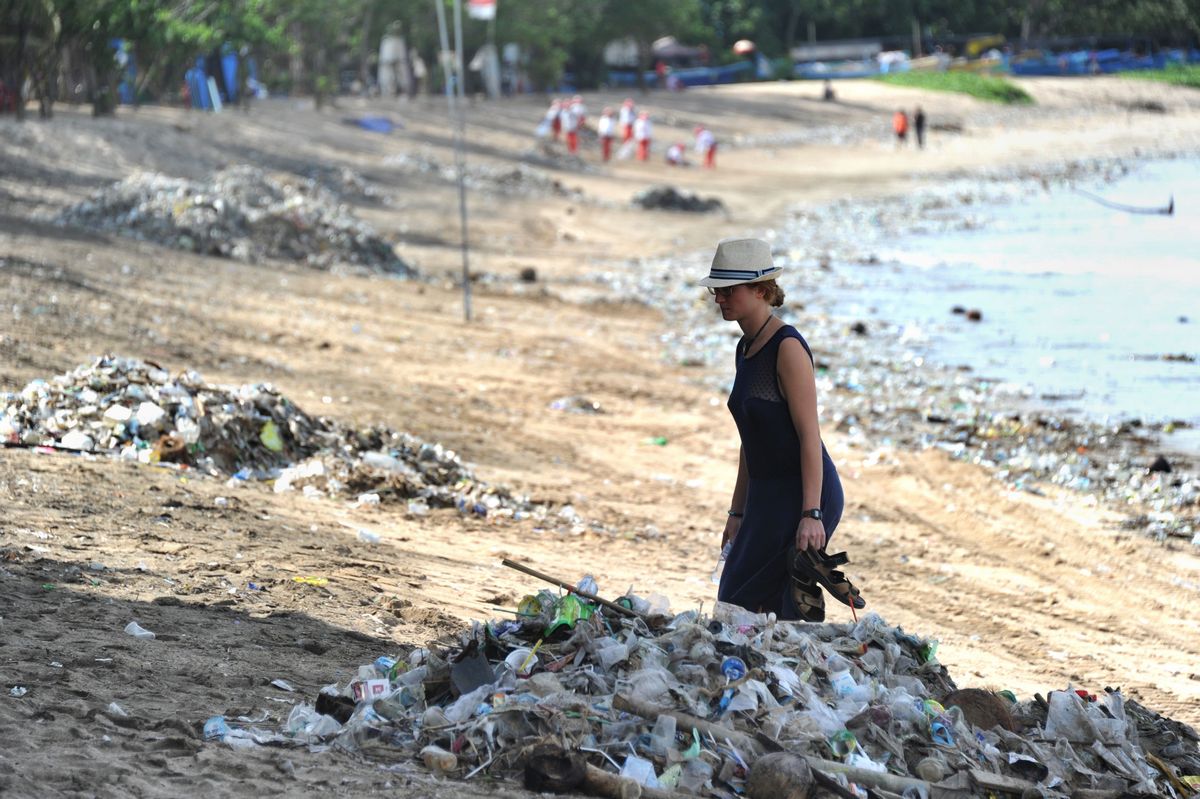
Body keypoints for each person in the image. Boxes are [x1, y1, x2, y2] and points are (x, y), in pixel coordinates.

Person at [702, 237, 864, 622]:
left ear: (760, 290)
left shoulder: (787, 347)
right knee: (738, 597)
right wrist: (736, 512)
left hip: (802, 492)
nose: (719, 298)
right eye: (716, 290)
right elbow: (751, 440)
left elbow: (810, 436)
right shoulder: (746, 348)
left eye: (728, 290)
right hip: (764, 495)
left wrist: (812, 513)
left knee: (758, 602)